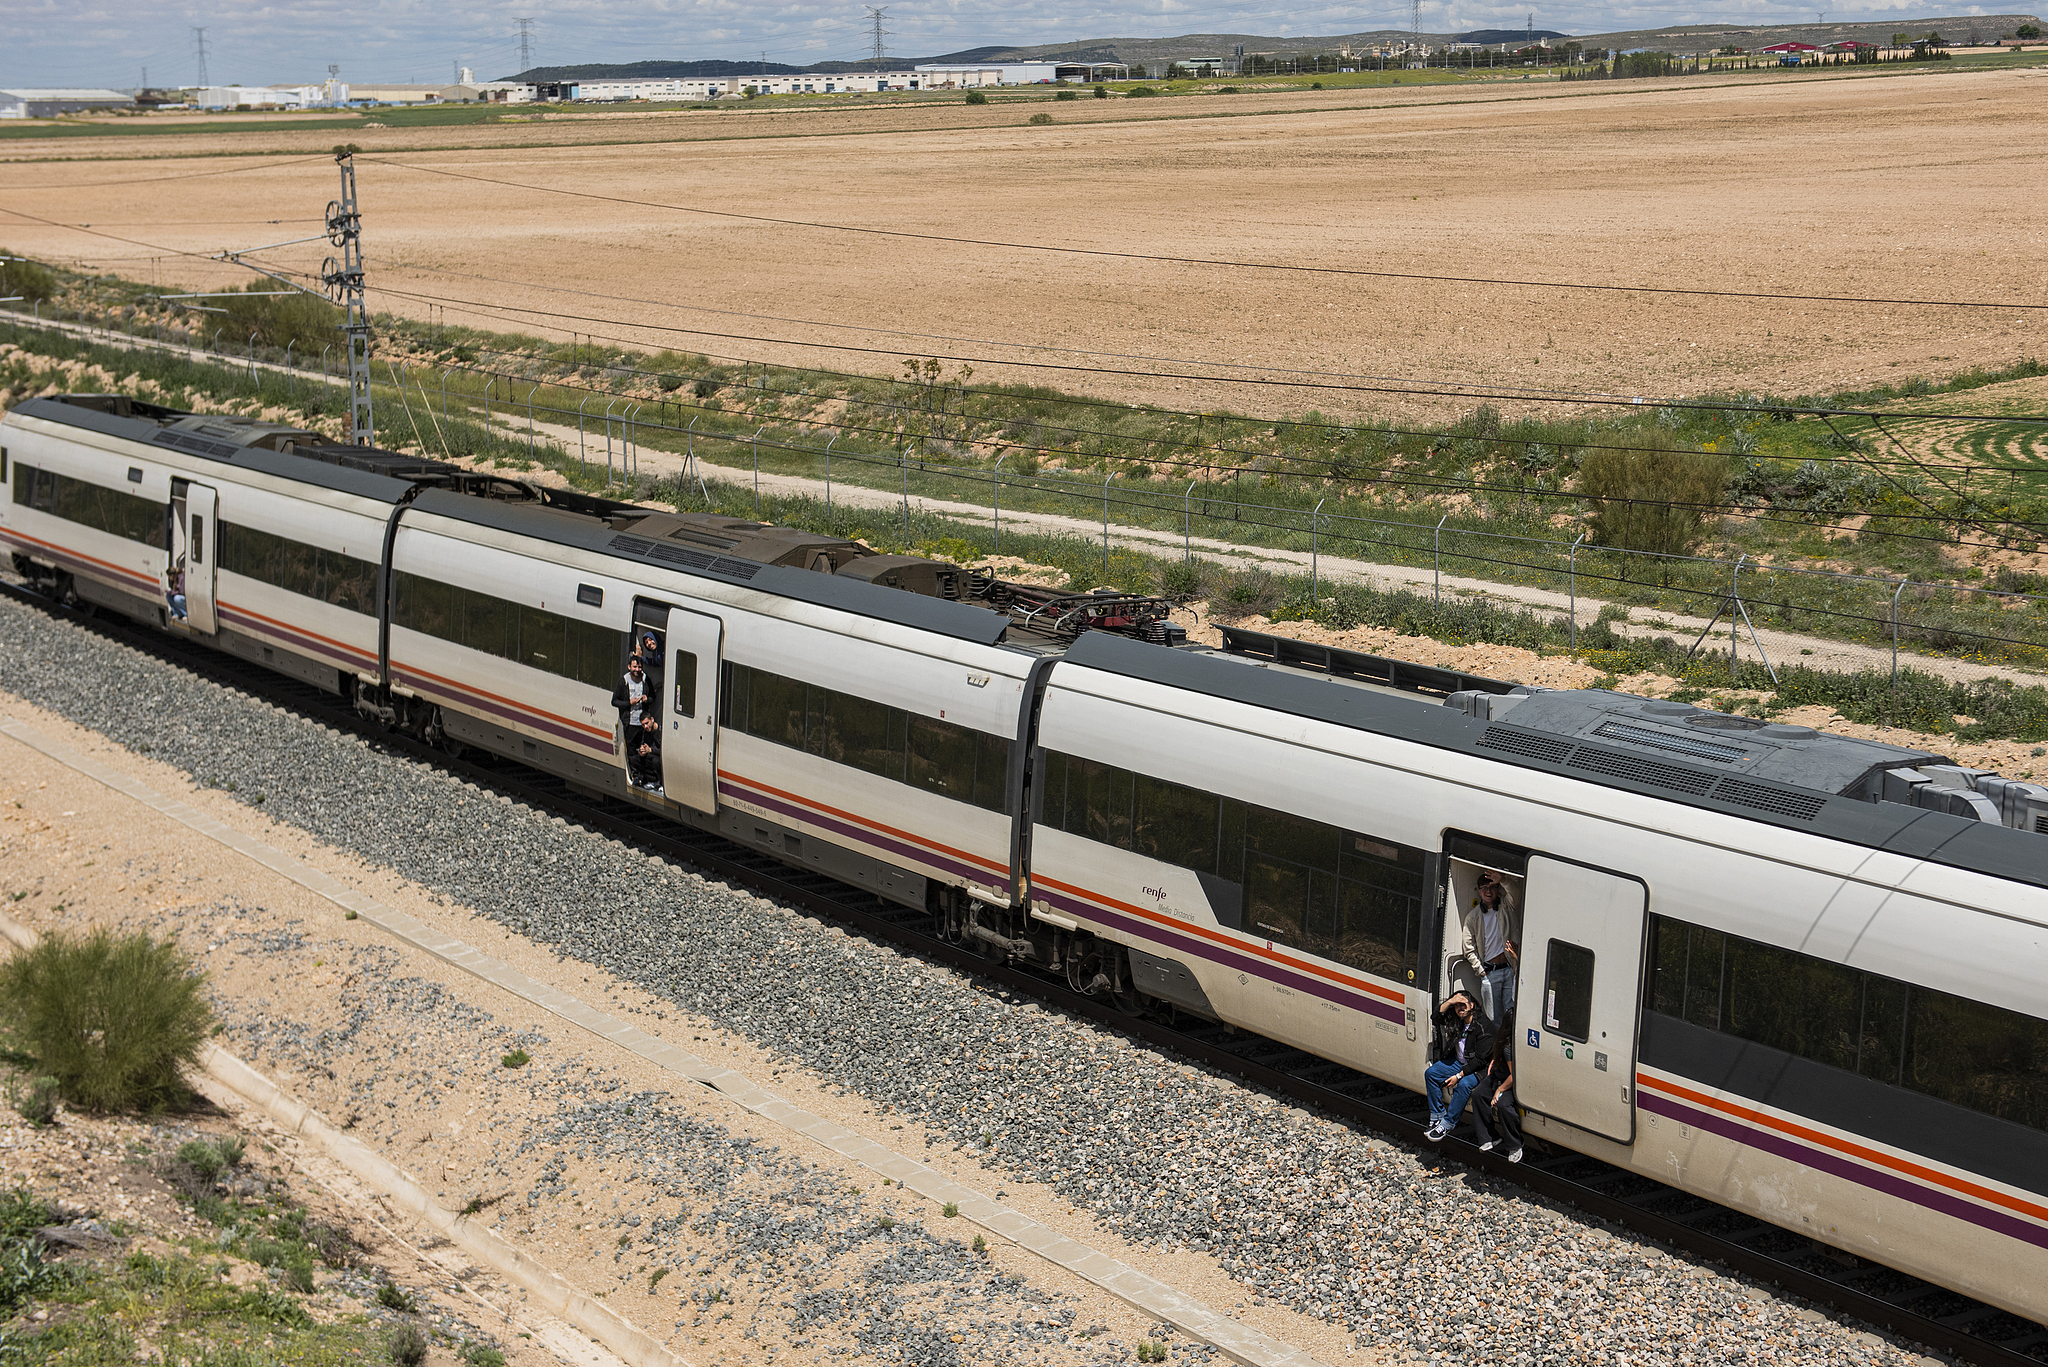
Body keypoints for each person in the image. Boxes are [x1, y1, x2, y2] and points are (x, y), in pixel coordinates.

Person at [1424, 989, 1495, 1143]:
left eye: (1463, 1005)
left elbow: (1480, 1060)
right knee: (1431, 1074)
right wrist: (1450, 1001)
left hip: (1479, 1068)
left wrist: (1458, 1076)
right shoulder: (1458, 1019)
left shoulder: (1483, 1026)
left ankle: (1447, 1124)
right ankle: (1437, 1116)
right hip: (1458, 1061)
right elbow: (1436, 1017)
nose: (1460, 1008)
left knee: (1463, 1085)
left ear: (1472, 1005)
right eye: (1457, 1006)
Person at [1459, 873, 1520, 1026]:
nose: (1488, 891)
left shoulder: (1506, 907)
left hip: (1509, 969)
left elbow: (1515, 894)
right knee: (1493, 1019)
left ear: (1498, 889)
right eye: (1484, 888)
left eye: (1492, 887)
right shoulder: (1473, 917)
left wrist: (1503, 880)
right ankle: (1494, 1042)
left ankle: (1508, 1041)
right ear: (1479, 891)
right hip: (1490, 972)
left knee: (1511, 1014)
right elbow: (1468, 948)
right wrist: (1481, 970)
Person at [1469, 1032, 1524, 1163]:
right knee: (1478, 1094)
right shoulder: (1501, 1043)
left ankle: (1515, 1145)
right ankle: (1490, 1137)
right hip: (1498, 1076)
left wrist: (1499, 1090)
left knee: (1503, 1105)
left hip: (1511, 1083)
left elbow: (1514, 1075)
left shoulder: (1508, 1048)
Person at [611, 655, 649, 732]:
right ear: (629, 667)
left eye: (639, 667)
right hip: (629, 723)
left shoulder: (646, 680)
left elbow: (653, 697)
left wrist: (647, 699)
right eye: (634, 667)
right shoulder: (623, 681)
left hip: (644, 724)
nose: (637, 669)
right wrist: (629, 703)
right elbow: (614, 701)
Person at [630, 709, 663, 789]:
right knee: (634, 759)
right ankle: (647, 780)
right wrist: (642, 750)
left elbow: (664, 750)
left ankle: (661, 782)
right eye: (643, 725)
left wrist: (651, 750)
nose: (645, 726)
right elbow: (644, 743)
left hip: (660, 756)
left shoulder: (661, 731)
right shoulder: (646, 732)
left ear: (652, 719)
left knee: (655, 761)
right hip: (650, 755)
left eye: (647, 723)